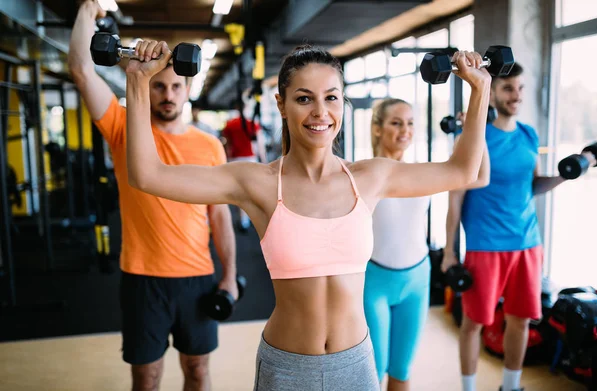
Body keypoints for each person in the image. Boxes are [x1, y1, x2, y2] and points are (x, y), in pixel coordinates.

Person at [124, 39, 491, 390]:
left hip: (356, 363)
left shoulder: (371, 177)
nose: (320, 112)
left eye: (331, 98)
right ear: (281, 104)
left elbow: (464, 171)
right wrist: (139, 82)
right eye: (304, 99)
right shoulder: (257, 183)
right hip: (287, 367)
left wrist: (479, 90)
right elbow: (147, 175)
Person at [68, 2, 238, 390]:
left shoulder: (211, 147)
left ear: (188, 88)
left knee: (197, 371)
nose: (167, 94)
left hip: (197, 278)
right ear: (148, 84)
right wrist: (88, 10)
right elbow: (80, 68)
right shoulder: (123, 129)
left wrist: (228, 276)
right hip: (142, 278)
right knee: (147, 377)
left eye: (175, 85)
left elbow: (220, 218)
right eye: (158, 84)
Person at [442, 63, 569, 391]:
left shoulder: (529, 134)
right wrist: (449, 252)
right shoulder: (473, 136)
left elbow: (533, 184)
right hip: (486, 246)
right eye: (508, 88)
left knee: (521, 320)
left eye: (521, 88)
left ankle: (510, 386)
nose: (516, 95)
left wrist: (566, 174)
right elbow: (455, 198)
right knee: (473, 323)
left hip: (528, 243)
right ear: (493, 92)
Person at [364, 99, 490, 391]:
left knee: (401, 369)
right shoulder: (362, 173)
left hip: (417, 281)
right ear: (377, 128)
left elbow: (480, 176)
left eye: (410, 123)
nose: (405, 130)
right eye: (396, 123)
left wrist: (476, 126)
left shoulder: (421, 172)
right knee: (373, 370)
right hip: (374, 283)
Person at [221, 99, 267, 231]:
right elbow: (259, 145)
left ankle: (243, 219)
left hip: (234, 160)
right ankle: (249, 219)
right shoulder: (253, 124)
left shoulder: (229, 125)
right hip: (250, 160)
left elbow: (227, 145)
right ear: (246, 107)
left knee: (237, 191)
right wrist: (264, 162)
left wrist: (226, 159)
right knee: (251, 191)